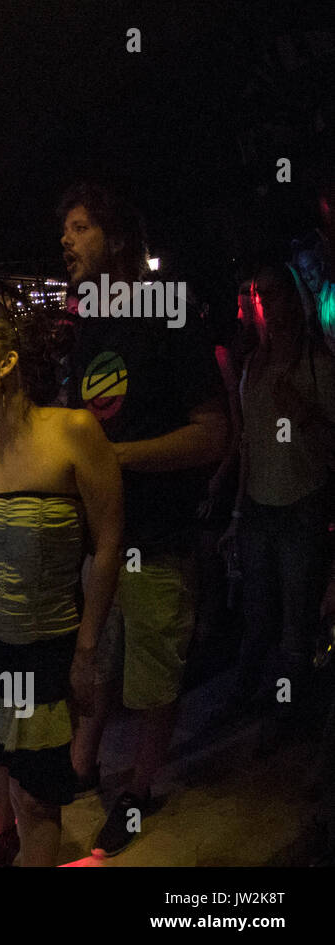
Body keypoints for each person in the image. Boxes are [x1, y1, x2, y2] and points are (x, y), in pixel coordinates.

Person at [58, 183, 227, 857]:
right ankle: (82, 762)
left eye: (78, 228)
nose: (64, 241)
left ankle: (139, 790)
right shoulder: (89, 324)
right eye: (63, 230)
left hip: (158, 535)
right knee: (96, 659)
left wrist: (115, 458)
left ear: (118, 238)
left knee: (155, 675)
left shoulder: (172, 314)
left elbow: (212, 434)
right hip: (101, 539)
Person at [0, 309, 123, 866]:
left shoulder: (74, 430)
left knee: (39, 795)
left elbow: (111, 542)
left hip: (47, 642)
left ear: (9, 361)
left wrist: (88, 649)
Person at [219, 264, 335, 730]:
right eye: (258, 295)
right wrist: (237, 509)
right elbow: (248, 441)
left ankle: (290, 715)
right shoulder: (253, 365)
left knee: (294, 620)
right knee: (258, 615)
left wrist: (307, 415)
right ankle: (248, 700)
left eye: (273, 293)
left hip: (302, 506)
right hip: (260, 510)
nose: (265, 304)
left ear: (294, 297)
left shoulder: (319, 364)